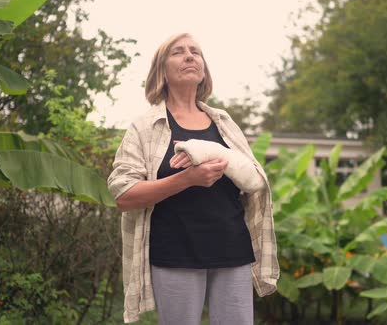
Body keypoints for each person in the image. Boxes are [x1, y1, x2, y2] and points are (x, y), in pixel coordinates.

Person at [107, 33, 279, 325]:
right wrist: (188, 179)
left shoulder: (224, 123)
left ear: (203, 71)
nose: (189, 56)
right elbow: (124, 196)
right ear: (162, 70)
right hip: (176, 254)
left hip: (233, 251)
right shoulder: (144, 128)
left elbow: (253, 179)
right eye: (178, 52)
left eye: (195, 52)